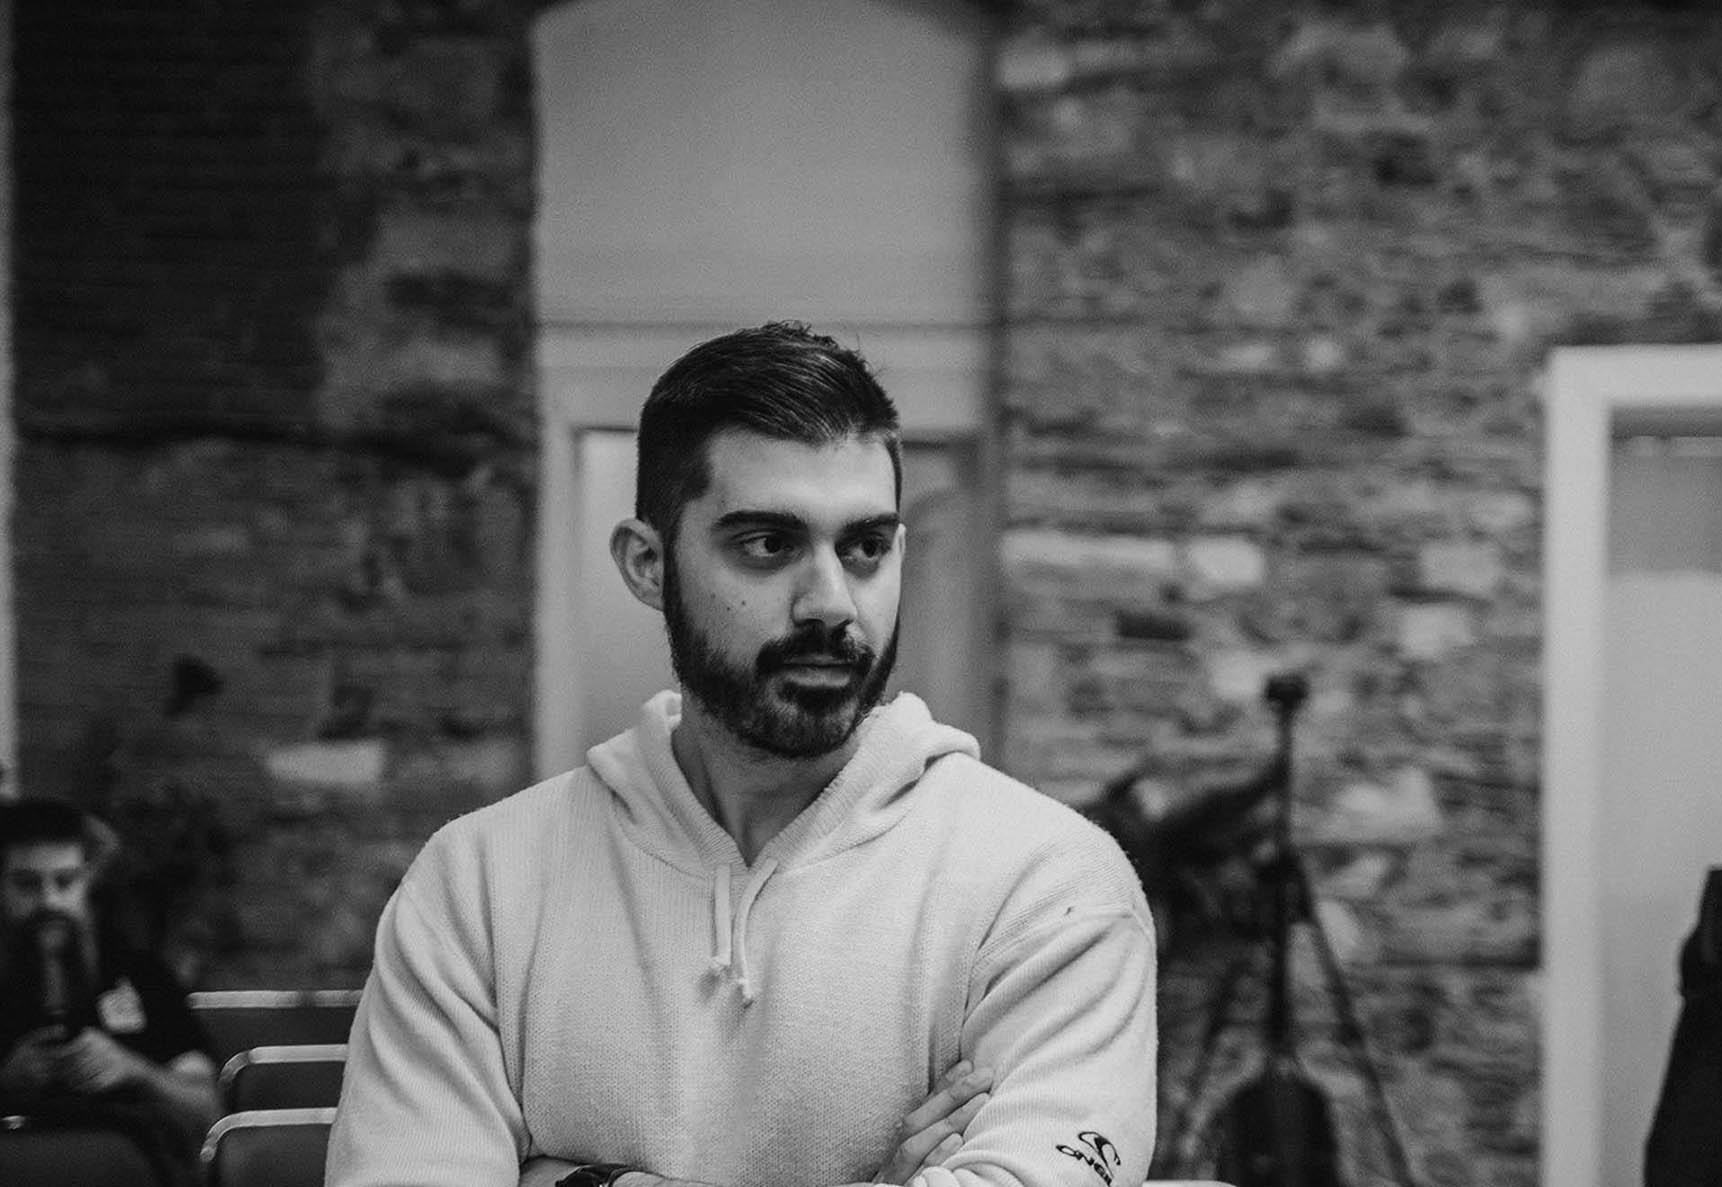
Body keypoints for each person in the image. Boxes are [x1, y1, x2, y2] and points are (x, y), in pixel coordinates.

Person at [325, 322, 1158, 1187]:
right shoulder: (481, 886)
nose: (831, 603)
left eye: (865, 547)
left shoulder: (1047, 889)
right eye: (769, 544)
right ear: (649, 565)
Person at [0, 797, 222, 1184]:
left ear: (86, 883)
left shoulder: (141, 975)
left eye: (65, 882)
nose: (50, 901)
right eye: (27, 885)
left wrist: (133, 1070)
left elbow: (206, 1109)